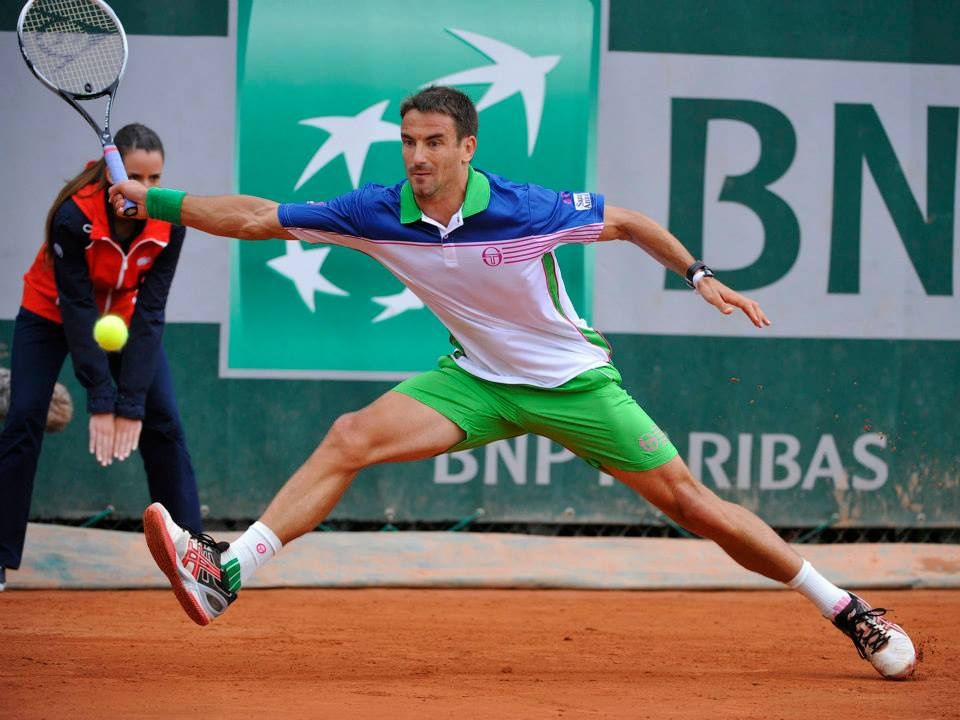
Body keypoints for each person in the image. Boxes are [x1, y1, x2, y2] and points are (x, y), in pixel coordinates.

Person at [112, 87, 915, 680]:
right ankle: (229, 572)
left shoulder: (529, 210)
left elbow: (628, 221)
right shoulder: (377, 211)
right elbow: (257, 217)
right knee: (350, 435)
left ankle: (846, 607)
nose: (418, 157)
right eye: (407, 142)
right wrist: (158, 200)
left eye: (433, 142)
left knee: (693, 506)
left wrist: (699, 272)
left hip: (573, 383)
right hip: (476, 382)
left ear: (467, 148)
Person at [0, 123, 203, 592]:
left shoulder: (169, 222)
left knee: (164, 422)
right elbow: (75, 306)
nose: (146, 189)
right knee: (25, 416)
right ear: (110, 174)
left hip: (127, 318)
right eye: (136, 176)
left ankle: (194, 556)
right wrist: (102, 398)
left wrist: (131, 403)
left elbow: (152, 312)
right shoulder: (74, 216)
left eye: (156, 179)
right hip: (49, 313)